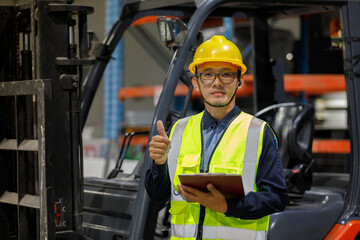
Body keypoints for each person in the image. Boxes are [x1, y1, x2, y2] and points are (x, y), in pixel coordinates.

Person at [145, 35, 288, 240]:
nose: (217, 83)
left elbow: (276, 198)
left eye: (227, 75)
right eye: (208, 75)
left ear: (239, 81)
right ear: (196, 83)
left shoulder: (258, 132)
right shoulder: (179, 130)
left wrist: (227, 206)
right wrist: (158, 164)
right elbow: (157, 197)